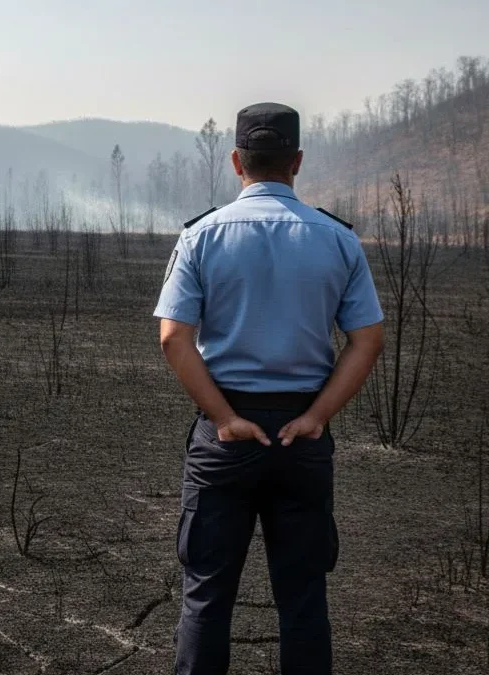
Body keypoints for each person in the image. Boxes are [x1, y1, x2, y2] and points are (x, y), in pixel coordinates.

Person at [154, 102, 385, 675]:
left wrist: (225, 419)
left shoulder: (202, 236)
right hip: (302, 433)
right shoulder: (337, 240)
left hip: (224, 434)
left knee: (206, 597)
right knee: (304, 599)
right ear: (297, 161)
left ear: (236, 161)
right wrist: (319, 416)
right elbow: (367, 341)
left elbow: (174, 339)